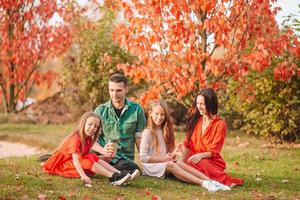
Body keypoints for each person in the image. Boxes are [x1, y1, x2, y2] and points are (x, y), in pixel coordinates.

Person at [139, 99, 231, 192]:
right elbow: (143, 158)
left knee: (179, 163)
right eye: (156, 114)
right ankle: (204, 183)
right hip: (150, 167)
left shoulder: (165, 131)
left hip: (163, 164)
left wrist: (173, 154)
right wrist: (165, 159)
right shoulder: (148, 132)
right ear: (150, 113)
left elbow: (165, 156)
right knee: (171, 164)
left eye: (162, 114)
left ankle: (212, 182)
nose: (159, 117)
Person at [42, 112, 131, 186]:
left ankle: (120, 173)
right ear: (83, 123)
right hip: (60, 165)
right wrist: (83, 176)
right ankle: (113, 177)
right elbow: (76, 160)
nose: (93, 128)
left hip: (72, 163)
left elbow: (85, 156)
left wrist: (102, 157)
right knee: (88, 159)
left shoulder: (88, 138)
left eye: (96, 126)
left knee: (92, 155)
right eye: (90, 124)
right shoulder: (76, 139)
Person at [183, 88, 243, 187]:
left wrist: (201, 156)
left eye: (202, 104)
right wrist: (182, 164)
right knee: (190, 161)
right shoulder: (195, 120)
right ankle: (207, 178)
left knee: (197, 162)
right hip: (194, 158)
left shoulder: (220, 124)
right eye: (198, 103)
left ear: (210, 104)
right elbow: (187, 143)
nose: (199, 107)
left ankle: (224, 180)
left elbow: (214, 151)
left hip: (211, 161)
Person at [92, 73, 146, 181]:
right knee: (86, 156)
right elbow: (91, 139)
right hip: (103, 153)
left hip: (123, 157)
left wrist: (144, 161)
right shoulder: (100, 110)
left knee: (135, 168)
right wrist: (103, 150)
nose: (114, 94)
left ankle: (101, 170)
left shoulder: (137, 110)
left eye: (118, 90)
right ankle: (119, 174)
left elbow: (139, 138)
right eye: (111, 90)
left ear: (126, 89)